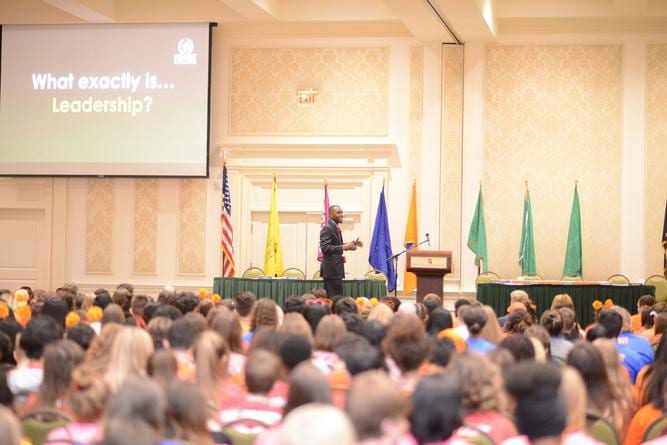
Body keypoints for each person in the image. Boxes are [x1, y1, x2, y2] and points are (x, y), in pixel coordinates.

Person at [319, 205, 362, 298]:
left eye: (342, 212)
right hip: (331, 271)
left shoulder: (334, 227)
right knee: (334, 298)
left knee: (337, 297)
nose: (341, 215)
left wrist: (350, 245)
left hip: (335, 269)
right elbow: (325, 248)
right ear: (331, 215)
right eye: (338, 212)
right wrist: (343, 246)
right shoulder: (328, 228)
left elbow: (335, 245)